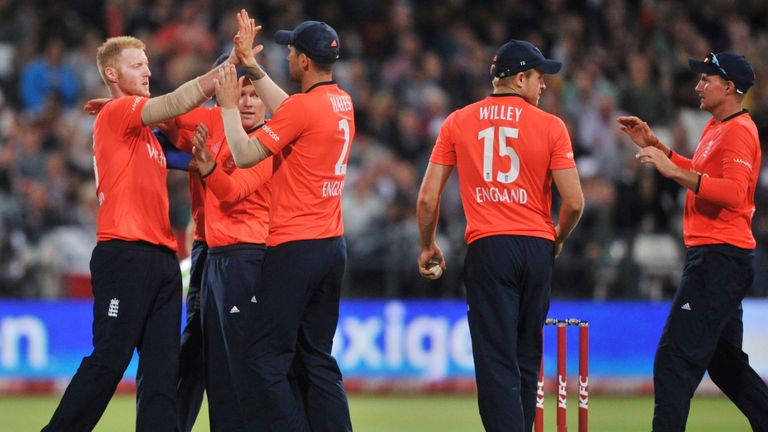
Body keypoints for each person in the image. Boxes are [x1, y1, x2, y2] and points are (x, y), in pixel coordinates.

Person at [42, 31, 243, 431]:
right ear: (112, 73)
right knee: (108, 362)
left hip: (162, 258)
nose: (148, 71)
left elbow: (196, 155)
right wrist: (226, 70)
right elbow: (174, 103)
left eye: (147, 64)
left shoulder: (144, 136)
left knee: (162, 374)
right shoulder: (117, 114)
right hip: (125, 253)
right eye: (138, 66)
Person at [416, 40, 584, 432]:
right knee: (527, 360)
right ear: (520, 77)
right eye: (540, 77)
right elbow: (574, 202)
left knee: (496, 364)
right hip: (537, 247)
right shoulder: (552, 126)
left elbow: (427, 198)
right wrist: (556, 238)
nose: (543, 86)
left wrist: (427, 244)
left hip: (489, 248)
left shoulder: (458, 121)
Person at [618, 52, 768, 432]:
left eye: (707, 80)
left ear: (730, 88)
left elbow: (734, 194)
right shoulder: (717, 126)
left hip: (719, 258)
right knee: (724, 364)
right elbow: (701, 174)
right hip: (719, 256)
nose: (698, 86)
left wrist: (671, 169)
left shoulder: (738, 130)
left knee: (672, 362)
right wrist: (662, 148)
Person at [218, 11, 353, 431]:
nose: (288, 57)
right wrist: (253, 67)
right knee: (316, 357)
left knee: (261, 358)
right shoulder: (340, 101)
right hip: (332, 246)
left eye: (292, 52)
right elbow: (293, 109)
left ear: (305, 63)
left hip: (294, 249)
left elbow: (243, 156)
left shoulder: (302, 109)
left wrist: (226, 108)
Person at [175, 59, 273, 431]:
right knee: (200, 353)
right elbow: (165, 117)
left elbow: (232, 191)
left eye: (253, 94)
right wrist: (128, 112)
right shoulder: (208, 121)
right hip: (210, 249)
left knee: (238, 358)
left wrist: (207, 167)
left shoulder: (271, 136)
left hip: (248, 253)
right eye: (239, 92)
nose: (247, 101)